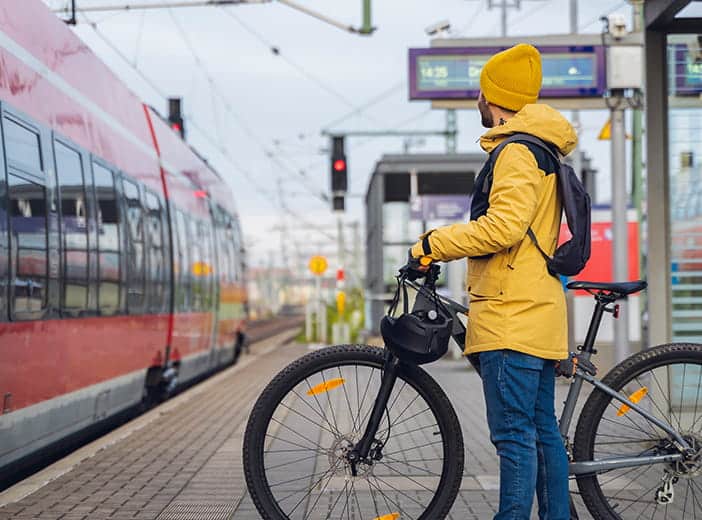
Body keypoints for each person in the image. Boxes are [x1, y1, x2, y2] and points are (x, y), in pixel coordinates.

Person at [409, 43, 576, 520]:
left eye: (481, 94)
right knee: (542, 432)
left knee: (515, 438)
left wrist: (431, 244)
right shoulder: (540, 148)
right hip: (535, 311)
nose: (477, 103)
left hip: (512, 315)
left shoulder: (517, 152)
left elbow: (503, 228)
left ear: (493, 98)